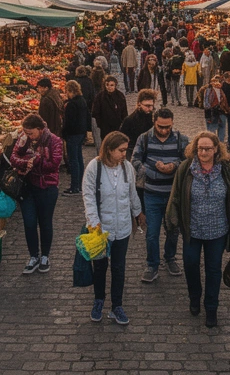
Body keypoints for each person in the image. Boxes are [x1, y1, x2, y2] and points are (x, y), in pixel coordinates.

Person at [167, 130, 230, 328]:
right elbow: (176, 196)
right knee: (191, 265)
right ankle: (194, 297)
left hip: (218, 231)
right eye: (200, 148)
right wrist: (172, 219)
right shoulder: (186, 168)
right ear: (195, 148)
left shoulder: (226, 169)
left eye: (208, 149)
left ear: (216, 150)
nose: (203, 152)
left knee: (213, 270)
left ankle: (211, 307)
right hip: (192, 229)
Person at [82, 131, 144, 326]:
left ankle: (117, 304)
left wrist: (138, 213)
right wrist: (93, 221)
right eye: (121, 150)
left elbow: (132, 193)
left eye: (125, 150)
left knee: (119, 267)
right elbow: (89, 195)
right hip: (101, 228)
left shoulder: (127, 168)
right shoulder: (94, 167)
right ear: (109, 149)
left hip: (123, 227)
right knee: (100, 266)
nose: (124, 154)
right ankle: (98, 300)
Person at [132, 108, 188, 283]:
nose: (164, 130)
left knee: (173, 231)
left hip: (173, 196)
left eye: (167, 127)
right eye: (160, 126)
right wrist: (149, 171)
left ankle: (170, 258)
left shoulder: (181, 139)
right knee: (152, 233)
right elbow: (135, 160)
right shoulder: (144, 138)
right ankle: (152, 264)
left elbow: (189, 161)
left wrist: (173, 166)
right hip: (152, 194)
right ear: (154, 122)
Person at [9, 113, 63, 274]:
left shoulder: (54, 141)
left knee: (45, 222)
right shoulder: (24, 139)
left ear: (40, 129)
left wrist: (37, 161)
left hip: (47, 187)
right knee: (29, 222)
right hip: (27, 187)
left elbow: (54, 164)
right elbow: (13, 156)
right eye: (25, 132)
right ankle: (33, 256)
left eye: (31, 132)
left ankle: (45, 256)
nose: (27, 135)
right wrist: (26, 162)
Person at [62, 80, 90, 196]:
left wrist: (64, 134)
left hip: (73, 134)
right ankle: (79, 185)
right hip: (80, 133)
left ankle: (74, 187)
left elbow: (69, 122)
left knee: (73, 160)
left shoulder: (72, 104)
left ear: (70, 91)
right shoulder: (82, 101)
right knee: (79, 159)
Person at [91, 76, 128, 151]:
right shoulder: (100, 97)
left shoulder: (120, 96)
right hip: (105, 126)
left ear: (115, 85)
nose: (109, 87)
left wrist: (123, 123)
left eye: (111, 85)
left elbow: (124, 111)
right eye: (107, 85)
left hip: (117, 126)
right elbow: (95, 112)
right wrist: (100, 123)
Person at [201, 75, 229, 142]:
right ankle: (218, 144)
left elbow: (206, 104)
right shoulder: (220, 90)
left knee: (212, 131)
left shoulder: (208, 90)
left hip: (213, 113)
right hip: (217, 113)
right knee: (218, 130)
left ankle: (215, 144)